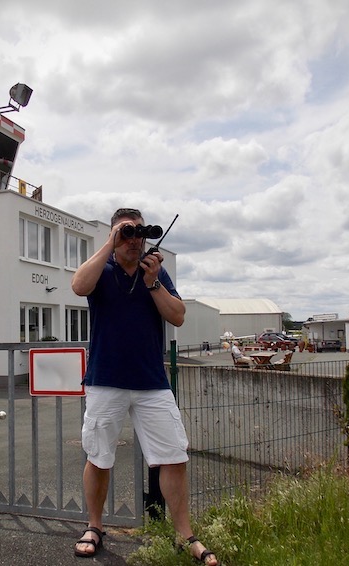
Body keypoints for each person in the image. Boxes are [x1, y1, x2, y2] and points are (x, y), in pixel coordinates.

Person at [71, 208, 219, 566]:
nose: (136, 239)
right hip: (106, 380)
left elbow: (178, 315)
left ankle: (185, 535)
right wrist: (110, 242)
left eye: (140, 233)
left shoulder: (157, 272)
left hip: (152, 382)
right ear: (115, 235)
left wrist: (153, 282)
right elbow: (78, 286)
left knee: (174, 456)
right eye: (127, 233)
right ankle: (94, 526)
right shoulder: (102, 271)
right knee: (99, 456)